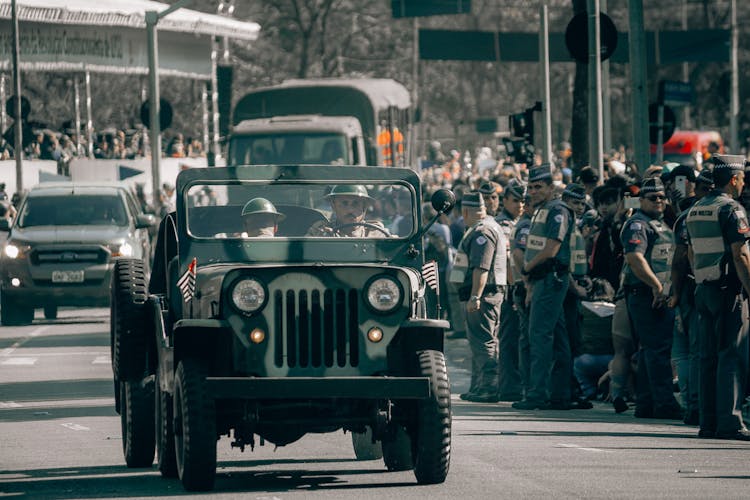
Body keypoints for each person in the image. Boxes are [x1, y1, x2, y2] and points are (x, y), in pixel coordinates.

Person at [686, 154, 750, 440]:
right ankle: (730, 422)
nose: (744, 183)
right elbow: (740, 254)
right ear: (733, 180)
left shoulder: (696, 208)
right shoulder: (731, 210)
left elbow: (689, 252)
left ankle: (708, 421)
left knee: (707, 357)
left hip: (704, 288)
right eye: (742, 178)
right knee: (730, 356)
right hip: (727, 291)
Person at [513, 164, 576, 410]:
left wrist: (527, 269)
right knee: (557, 338)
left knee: (539, 335)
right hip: (542, 280)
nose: (533, 191)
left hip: (550, 278)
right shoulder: (542, 210)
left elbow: (551, 249)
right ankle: (560, 394)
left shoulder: (557, 210)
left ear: (551, 187)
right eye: (530, 187)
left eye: (538, 187)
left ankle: (537, 394)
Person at [620, 177, 682, 419]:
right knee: (658, 350)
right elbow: (635, 258)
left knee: (649, 350)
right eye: (652, 197)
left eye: (661, 197)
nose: (659, 201)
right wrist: (657, 286)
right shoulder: (638, 224)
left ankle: (647, 403)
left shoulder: (660, 223)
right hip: (647, 294)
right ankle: (665, 403)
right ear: (641, 200)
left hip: (656, 293)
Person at [449, 192, 507, 402]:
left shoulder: (482, 231)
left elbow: (480, 268)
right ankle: (478, 386)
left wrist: (475, 296)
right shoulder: (485, 227)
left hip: (484, 294)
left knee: (484, 342)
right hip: (485, 294)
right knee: (478, 341)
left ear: (464, 211)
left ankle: (490, 387)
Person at [668, 168, 713, 426]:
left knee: (687, 352)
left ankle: (693, 405)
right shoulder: (722, 210)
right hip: (702, 287)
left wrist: (674, 293)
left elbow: (678, 261)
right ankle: (698, 406)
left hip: (688, 288)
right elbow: (681, 257)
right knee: (697, 350)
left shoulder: (685, 216)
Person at [495, 179, 527, 401]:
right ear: (505, 200)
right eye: (515, 201)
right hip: (510, 288)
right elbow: (507, 260)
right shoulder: (501, 225)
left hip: (523, 285)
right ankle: (509, 386)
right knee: (509, 339)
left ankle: (520, 383)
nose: (520, 205)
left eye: (523, 201)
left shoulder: (525, 221)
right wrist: (515, 287)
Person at [308, 185, 390, 238]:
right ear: (334, 206)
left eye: (356, 203)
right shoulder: (319, 231)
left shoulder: (377, 233)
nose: (350, 210)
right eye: (344, 203)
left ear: (364, 207)